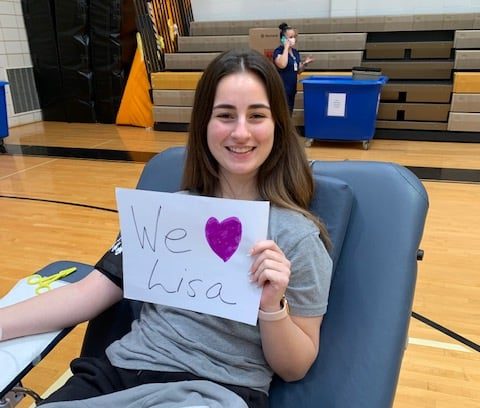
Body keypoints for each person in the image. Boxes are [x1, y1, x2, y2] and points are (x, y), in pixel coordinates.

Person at [0, 48, 332, 408]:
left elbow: (294, 367)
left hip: (217, 392)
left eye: (256, 115)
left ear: (277, 126)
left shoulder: (296, 237)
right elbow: (86, 295)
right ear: (204, 123)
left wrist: (272, 306)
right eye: (225, 115)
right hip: (119, 375)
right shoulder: (165, 214)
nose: (240, 132)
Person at [273, 22, 314, 114]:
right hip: (282, 90)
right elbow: (282, 64)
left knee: (289, 112)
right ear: (283, 39)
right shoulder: (278, 51)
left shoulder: (295, 52)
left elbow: (298, 71)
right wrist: (286, 47)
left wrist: (305, 63)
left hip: (292, 89)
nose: (293, 39)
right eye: (290, 37)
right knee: (282, 113)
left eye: (294, 36)